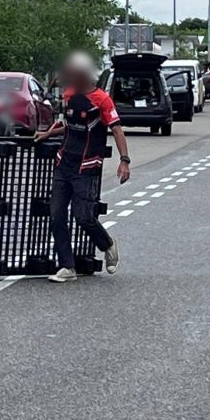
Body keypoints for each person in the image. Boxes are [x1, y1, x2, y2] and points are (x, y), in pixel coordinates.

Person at [35, 52, 131, 283]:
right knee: (56, 215)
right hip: (64, 163)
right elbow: (68, 125)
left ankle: (108, 244)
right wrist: (47, 133)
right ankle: (67, 267)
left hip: (87, 167)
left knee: (83, 217)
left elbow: (117, 129)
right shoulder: (69, 95)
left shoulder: (102, 100)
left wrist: (124, 160)